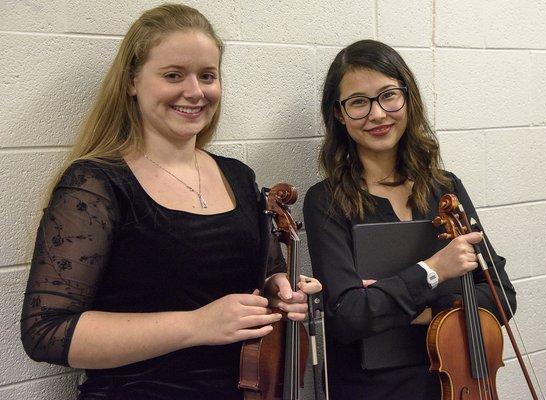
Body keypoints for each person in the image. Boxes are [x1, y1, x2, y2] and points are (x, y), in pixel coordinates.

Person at [20, 4, 321, 399]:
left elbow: (264, 275)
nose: (195, 92)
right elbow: (46, 332)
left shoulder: (238, 176)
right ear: (132, 81)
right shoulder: (96, 184)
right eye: (173, 75)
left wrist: (279, 289)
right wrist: (197, 324)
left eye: (207, 76)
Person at [303, 39, 516, 400]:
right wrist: (433, 270)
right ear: (339, 114)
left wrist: (421, 310)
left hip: (456, 380)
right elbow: (349, 317)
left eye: (388, 95)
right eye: (358, 102)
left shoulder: (445, 189)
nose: (377, 114)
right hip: (372, 390)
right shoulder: (326, 201)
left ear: (407, 97)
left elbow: (501, 296)